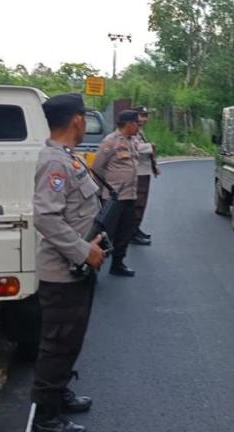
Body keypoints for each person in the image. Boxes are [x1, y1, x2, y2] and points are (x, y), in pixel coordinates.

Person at [30, 93, 108, 432]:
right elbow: (46, 218)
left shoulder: (67, 157)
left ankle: (59, 393)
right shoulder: (54, 162)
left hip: (77, 270)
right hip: (63, 273)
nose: (85, 122)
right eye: (84, 117)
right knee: (58, 344)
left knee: (70, 340)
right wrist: (82, 251)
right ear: (77, 120)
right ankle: (46, 417)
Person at [92, 109, 140, 277]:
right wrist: (105, 189)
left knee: (125, 232)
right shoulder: (110, 141)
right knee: (106, 233)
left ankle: (118, 264)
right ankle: (93, 265)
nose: (139, 126)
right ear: (129, 124)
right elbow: (97, 167)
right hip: (114, 197)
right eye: (137, 123)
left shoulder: (132, 140)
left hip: (130, 195)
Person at [130, 106, 160, 245]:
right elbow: (132, 146)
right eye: (141, 116)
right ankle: (132, 232)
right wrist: (149, 147)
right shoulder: (131, 130)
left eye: (146, 116)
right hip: (138, 171)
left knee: (141, 203)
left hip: (144, 170)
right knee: (138, 203)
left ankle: (136, 229)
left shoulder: (139, 130)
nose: (144, 119)